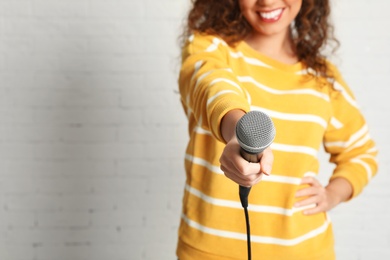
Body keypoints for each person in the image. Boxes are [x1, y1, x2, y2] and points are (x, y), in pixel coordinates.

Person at [176, 0, 378, 259]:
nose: (267, 1)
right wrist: (239, 133)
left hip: (305, 251)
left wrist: (332, 195)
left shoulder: (324, 78)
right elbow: (213, 87)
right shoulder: (208, 47)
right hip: (209, 250)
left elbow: (362, 153)